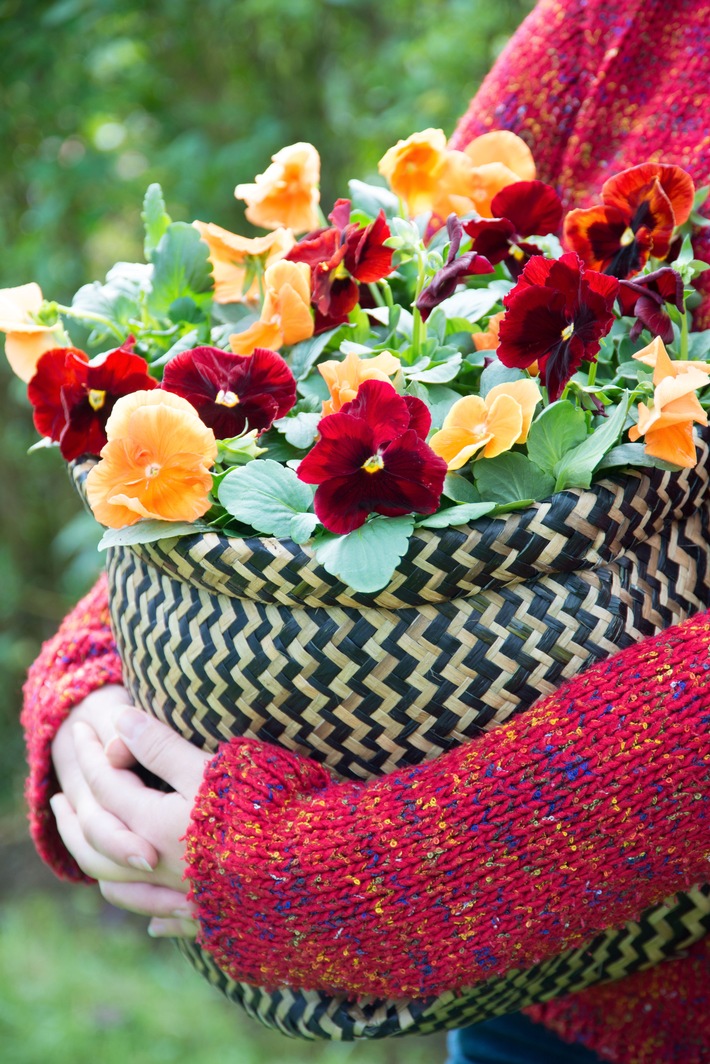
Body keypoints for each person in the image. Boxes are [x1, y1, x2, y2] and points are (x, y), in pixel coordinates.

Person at [19, 1, 710, 1061]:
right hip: (526, 1001)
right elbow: (397, 314)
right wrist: (98, 687)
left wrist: (323, 868)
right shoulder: (626, 23)